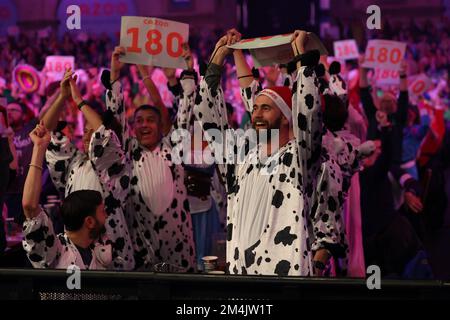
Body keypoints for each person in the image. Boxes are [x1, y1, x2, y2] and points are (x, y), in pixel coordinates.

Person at [193, 29, 344, 276]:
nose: (257, 114)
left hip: (287, 282)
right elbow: (208, 119)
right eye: (255, 109)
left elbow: (309, 114)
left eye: (266, 108)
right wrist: (218, 58)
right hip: (241, 279)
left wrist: (301, 58)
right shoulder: (240, 158)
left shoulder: (300, 157)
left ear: (287, 117)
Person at [100, 46, 196, 271]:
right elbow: (115, 118)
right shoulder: (128, 152)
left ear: (161, 125)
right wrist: (115, 75)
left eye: (150, 120)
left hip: (179, 252)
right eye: (139, 121)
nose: (144, 125)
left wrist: (189, 71)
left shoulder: (174, 147)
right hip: (142, 253)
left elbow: (186, 109)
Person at [42, 68, 135, 270]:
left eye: (91, 132)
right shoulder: (73, 162)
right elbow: (46, 131)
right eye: (85, 132)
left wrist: (79, 100)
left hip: (112, 252)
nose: (87, 137)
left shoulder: (116, 165)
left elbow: (104, 134)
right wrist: (62, 97)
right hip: (72, 253)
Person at [22, 122, 112, 269]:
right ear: (89, 222)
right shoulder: (56, 251)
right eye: (103, 212)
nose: (108, 216)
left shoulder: (100, 253)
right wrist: (38, 148)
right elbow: (30, 208)